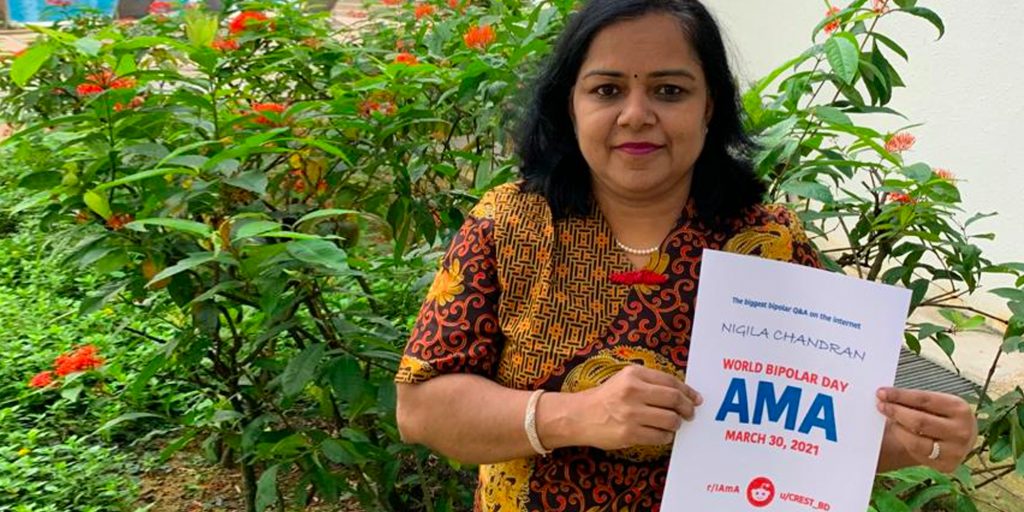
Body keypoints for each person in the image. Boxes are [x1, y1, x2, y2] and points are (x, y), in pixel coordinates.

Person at [394, 0, 978, 509]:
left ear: (710, 107)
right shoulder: (510, 225)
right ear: (569, 106)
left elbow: (807, 434)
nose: (636, 114)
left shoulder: (767, 244)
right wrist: (575, 414)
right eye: (607, 89)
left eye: (669, 90)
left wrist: (909, 443)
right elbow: (421, 408)